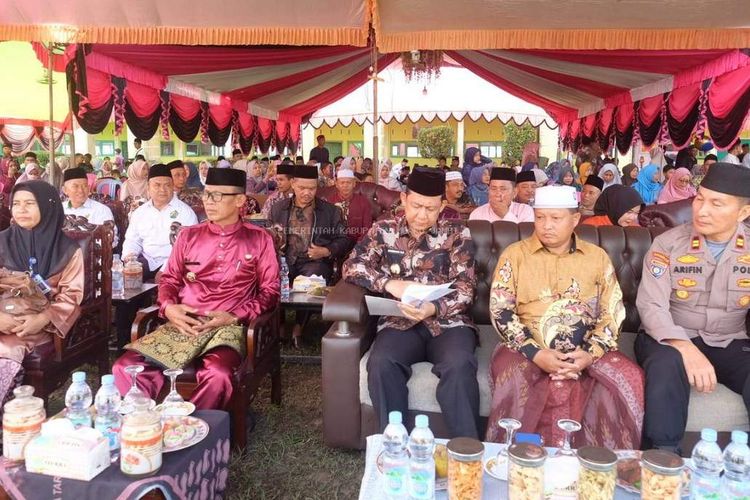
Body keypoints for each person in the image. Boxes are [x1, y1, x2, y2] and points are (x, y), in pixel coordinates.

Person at [487, 185, 643, 449]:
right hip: (524, 347)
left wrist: (589, 354)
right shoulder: (515, 255)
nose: (546, 225)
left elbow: (612, 312)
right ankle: (522, 457)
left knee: (628, 376)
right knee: (515, 377)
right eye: (540, 217)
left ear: (575, 219)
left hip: (587, 349)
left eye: (556, 218)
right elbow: (501, 311)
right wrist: (536, 353)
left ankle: (598, 460)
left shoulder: (597, 257)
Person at [113, 168, 279, 410]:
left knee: (218, 374)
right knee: (124, 367)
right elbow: (169, 279)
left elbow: (270, 292)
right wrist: (169, 308)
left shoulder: (259, 239)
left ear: (240, 200)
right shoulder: (188, 236)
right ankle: (147, 421)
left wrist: (234, 316)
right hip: (184, 323)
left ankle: (193, 426)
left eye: (217, 196)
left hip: (227, 327)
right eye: (207, 194)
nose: (209, 202)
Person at [343, 167, 480, 438]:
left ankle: (465, 450)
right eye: (416, 206)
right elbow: (351, 266)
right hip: (399, 321)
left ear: (442, 206)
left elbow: (466, 287)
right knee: (382, 362)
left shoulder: (457, 234)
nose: (422, 215)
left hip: (449, 323)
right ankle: (395, 444)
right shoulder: (384, 230)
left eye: (431, 208)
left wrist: (433, 307)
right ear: (404, 199)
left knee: (459, 365)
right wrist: (388, 284)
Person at [635, 162, 750, 453]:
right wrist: (685, 348)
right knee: (666, 364)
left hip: (731, 339)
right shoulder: (668, 244)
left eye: (716, 203)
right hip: (670, 335)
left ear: (743, 213)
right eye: (700, 199)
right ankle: (663, 456)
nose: (702, 210)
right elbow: (651, 305)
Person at [0, 181, 84, 414]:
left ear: (48, 206)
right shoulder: (1, 242)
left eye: (29, 203)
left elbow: (71, 296)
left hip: (38, 323)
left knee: (7, 348)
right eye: (16, 203)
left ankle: (12, 419)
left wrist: (42, 319)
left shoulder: (68, 250)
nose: (21, 210)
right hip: (3, 316)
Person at [268, 165, 350, 346]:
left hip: (314, 261)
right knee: (272, 277)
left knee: (313, 276)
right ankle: (279, 326)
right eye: (302, 188)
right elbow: (268, 237)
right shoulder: (278, 209)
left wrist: (326, 250)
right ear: (293, 184)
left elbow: (344, 239)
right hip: (285, 259)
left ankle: (298, 327)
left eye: (312, 188)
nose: (307, 193)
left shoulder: (330, 211)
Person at [122, 164, 198, 281]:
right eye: (157, 185)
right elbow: (132, 240)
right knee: (125, 277)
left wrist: (165, 269)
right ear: (148, 187)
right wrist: (130, 256)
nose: (162, 190)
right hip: (148, 260)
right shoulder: (140, 212)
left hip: (176, 262)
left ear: (172, 186)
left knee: (164, 280)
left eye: (167, 185)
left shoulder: (186, 212)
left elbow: (189, 248)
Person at [62, 168, 118, 245]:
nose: (81, 190)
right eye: (75, 186)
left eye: (84, 186)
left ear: (88, 188)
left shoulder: (101, 210)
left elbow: (111, 240)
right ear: (65, 190)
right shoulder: (58, 210)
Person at [469, 168, 534, 223]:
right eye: (493, 189)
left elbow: (527, 234)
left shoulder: (525, 211)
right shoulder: (478, 213)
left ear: (514, 192)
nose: (498, 194)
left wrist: (505, 214)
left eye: (503, 189)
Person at [328, 169, 373, 244]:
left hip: (357, 243)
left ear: (354, 184)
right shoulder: (329, 202)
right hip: (334, 243)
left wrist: (358, 246)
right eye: (342, 183)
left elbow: (367, 228)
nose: (345, 185)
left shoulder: (363, 202)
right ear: (337, 184)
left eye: (348, 182)